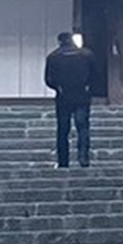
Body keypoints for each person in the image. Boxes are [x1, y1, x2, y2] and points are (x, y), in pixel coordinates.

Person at [44, 32, 100, 169]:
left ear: (59, 41)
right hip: (82, 94)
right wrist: (87, 86)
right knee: (83, 127)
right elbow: (95, 75)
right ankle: (83, 157)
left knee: (63, 129)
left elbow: (49, 80)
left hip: (63, 96)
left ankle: (63, 161)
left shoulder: (53, 56)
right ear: (72, 40)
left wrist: (59, 87)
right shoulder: (87, 55)